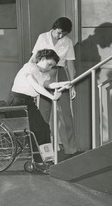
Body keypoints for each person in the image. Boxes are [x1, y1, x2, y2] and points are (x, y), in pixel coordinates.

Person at [7, 49, 70, 169]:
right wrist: (52, 97)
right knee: (38, 130)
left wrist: (63, 84)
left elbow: (47, 85)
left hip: (28, 103)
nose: (49, 68)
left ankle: (47, 159)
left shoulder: (42, 73)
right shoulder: (29, 68)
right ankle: (39, 161)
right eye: (49, 64)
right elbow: (35, 86)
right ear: (41, 59)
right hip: (17, 103)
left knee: (45, 127)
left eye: (52, 66)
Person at [28, 17, 78, 156]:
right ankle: (44, 150)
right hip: (43, 74)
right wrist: (28, 74)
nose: (61, 36)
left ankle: (71, 149)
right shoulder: (42, 37)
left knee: (66, 114)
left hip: (60, 74)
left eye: (64, 34)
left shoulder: (68, 42)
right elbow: (33, 59)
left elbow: (71, 65)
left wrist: (72, 85)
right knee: (43, 114)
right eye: (59, 32)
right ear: (54, 27)